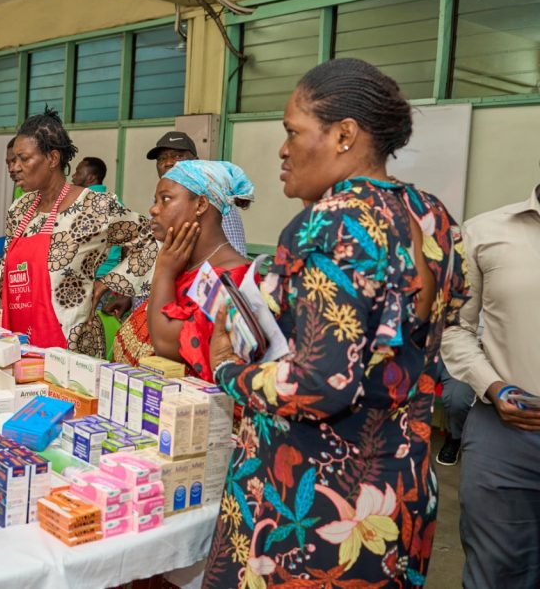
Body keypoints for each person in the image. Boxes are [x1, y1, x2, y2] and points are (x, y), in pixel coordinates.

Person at [201, 58, 467, 588]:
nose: (282, 149)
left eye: (292, 131)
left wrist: (228, 369)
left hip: (316, 502)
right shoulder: (430, 213)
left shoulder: (334, 221)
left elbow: (319, 386)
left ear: (344, 134)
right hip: (397, 489)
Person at [0, 109, 157, 355]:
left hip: (72, 347)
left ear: (53, 158)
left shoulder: (94, 206)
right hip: (21, 341)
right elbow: (7, 279)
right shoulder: (20, 209)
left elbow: (150, 240)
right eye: (12, 160)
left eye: (23, 159)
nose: (14, 167)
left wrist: (107, 285)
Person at [441, 179, 540, 588]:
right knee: (496, 572)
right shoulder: (484, 232)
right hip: (506, 432)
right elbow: (453, 327)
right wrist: (493, 385)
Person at [111, 160, 253, 374]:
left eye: (165, 199)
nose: (154, 209)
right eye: (155, 200)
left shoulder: (229, 276)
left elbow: (168, 345)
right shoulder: (183, 266)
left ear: (201, 205)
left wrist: (164, 273)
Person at [71, 156, 122, 278]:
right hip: (109, 274)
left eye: (78, 172)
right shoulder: (116, 202)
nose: (73, 176)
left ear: (91, 177)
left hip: (90, 276)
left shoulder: (83, 203)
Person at [436, 359, 474, 466]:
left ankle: (455, 436)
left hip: (469, 359)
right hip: (441, 348)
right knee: (410, 382)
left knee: (456, 400)